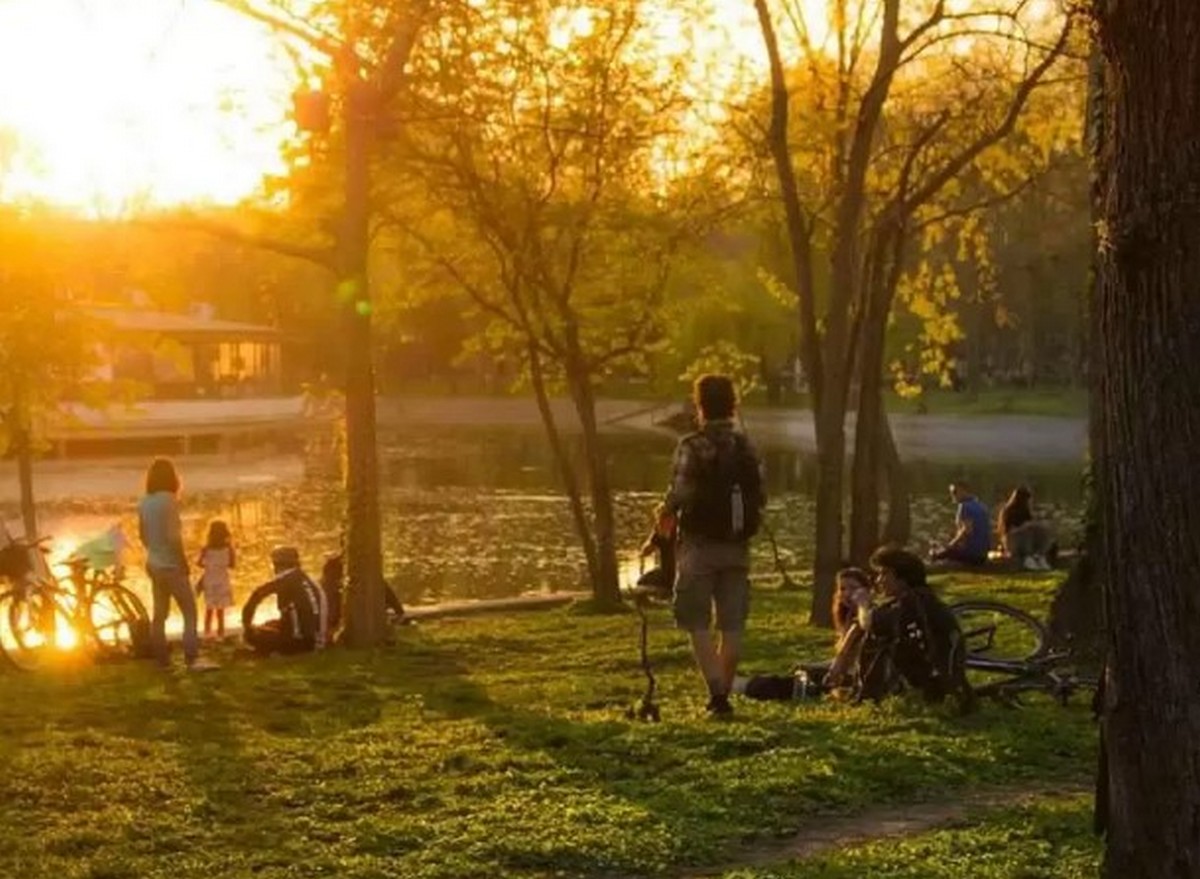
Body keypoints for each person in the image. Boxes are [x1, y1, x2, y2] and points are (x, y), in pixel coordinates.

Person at [656, 374, 764, 718]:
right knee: (732, 626)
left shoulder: (692, 445)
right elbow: (761, 492)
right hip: (738, 546)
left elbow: (680, 492)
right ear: (733, 405)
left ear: (699, 405)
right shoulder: (746, 446)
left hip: (699, 546)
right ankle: (723, 695)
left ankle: (717, 695)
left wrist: (664, 516)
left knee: (696, 621)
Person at [861, 545, 975, 712]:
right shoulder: (922, 598)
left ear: (902, 577)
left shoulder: (912, 603)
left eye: (884, 573)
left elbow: (871, 623)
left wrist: (862, 603)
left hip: (933, 683)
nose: (878, 580)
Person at [137, 457, 214, 671]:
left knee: (159, 615)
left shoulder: (145, 502)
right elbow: (173, 538)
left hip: (153, 564)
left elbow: (142, 535)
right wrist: (182, 562)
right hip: (171, 566)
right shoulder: (169, 501)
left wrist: (154, 551)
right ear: (172, 478)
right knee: (189, 611)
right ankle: (192, 658)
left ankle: (162, 661)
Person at [929, 481, 992, 567]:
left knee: (935, 553)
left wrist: (950, 545)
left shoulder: (964, 506)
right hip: (983, 554)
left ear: (963, 491)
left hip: (972, 555)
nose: (952, 495)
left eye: (955, 492)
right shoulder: (982, 506)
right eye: (951, 492)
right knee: (944, 547)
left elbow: (967, 531)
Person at [998, 486, 1056, 571]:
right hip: (1012, 540)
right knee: (1028, 530)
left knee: (1041, 528)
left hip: (1026, 539)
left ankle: (1039, 554)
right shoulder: (1008, 511)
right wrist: (1024, 527)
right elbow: (1008, 530)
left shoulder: (1026, 511)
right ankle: (1027, 557)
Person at [196, 520, 236, 639]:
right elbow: (232, 565)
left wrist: (210, 565)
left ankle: (207, 632)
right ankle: (220, 633)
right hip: (222, 579)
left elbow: (199, 564)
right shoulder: (229, 549)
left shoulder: (206, 549)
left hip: (209, 579)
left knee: (209, 609)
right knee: (220, 610)